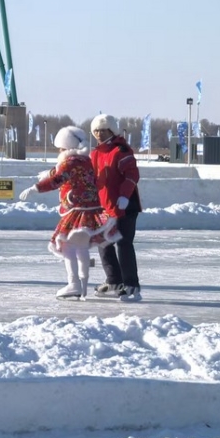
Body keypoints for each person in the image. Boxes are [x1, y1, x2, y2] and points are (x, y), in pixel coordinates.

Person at [19, 126, 120, 300]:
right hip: (91, 209)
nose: (59, 151)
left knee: (67, 247)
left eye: (60, 148)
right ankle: (83, 285)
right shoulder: (85, 160)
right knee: (80, 248)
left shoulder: (69, 162)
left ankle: (74, 284)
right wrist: (49, 174)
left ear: (67, 147)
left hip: (77, 211)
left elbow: (58, 179)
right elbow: (62, 173)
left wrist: (36, 188)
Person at [89, 114, 142, 301]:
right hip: (105, 208)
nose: (98, 134)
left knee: (123, 243)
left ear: (112, 130)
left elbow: (132, 175)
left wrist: (124, 196)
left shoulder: (121, 150)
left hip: (125, 206)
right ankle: (114, 281)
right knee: (104, 243)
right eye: (95, 130)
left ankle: (131, 284)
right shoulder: (95, 153)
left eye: (102, 130)